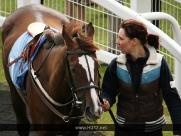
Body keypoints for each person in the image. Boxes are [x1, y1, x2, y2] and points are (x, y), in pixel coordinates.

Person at [101, 19, 181, 136]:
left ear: (134, 41)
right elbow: (108, 91)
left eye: (121, 39)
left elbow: (172, 98)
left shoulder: (159, 63)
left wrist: (178, 131)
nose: (117, 42)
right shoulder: (116, 64)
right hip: (123, 129)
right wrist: (106, 101)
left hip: (153, 131)